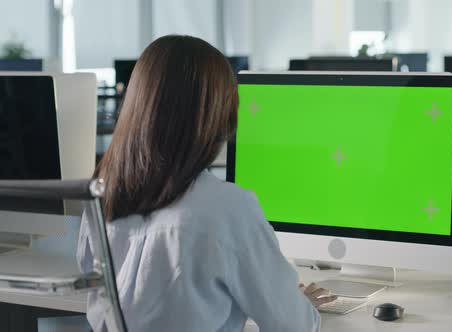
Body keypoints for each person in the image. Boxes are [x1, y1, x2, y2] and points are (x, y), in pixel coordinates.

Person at [77, 35, 337, 332]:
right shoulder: (227, 207)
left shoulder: (102, 194)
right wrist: (297, 304)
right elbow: (293, 326)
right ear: (217, 116)